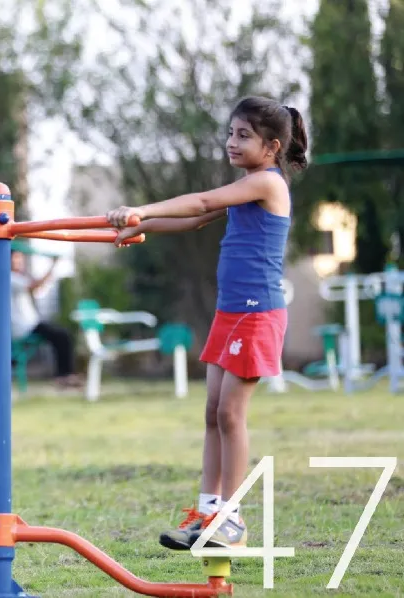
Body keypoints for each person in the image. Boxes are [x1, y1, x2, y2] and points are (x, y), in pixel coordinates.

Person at [106, 96, 308, 549]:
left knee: (231, 414)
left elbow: (200, 199)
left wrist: (143, 208)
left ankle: (231, 519)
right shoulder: (247, 187)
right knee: (212, 412)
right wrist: (141, 228)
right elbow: (196, 218)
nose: (230, 142)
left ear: (272, 147)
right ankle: (208, 511)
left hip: (257, 313)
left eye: (243, 136)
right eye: (230, 133)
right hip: (231, 313)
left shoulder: (268, 184)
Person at [10, 250, 82, 388]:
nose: (18, 263)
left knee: (61, 336)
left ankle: (65, 375)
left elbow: (37, 287)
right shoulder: (10, 278)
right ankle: (64, 376)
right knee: (61, 335)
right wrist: (53, 265)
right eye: (15, 259)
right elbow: (34, 285)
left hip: (31, 324)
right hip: (25, 327)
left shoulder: (18, 277)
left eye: (20, 259)